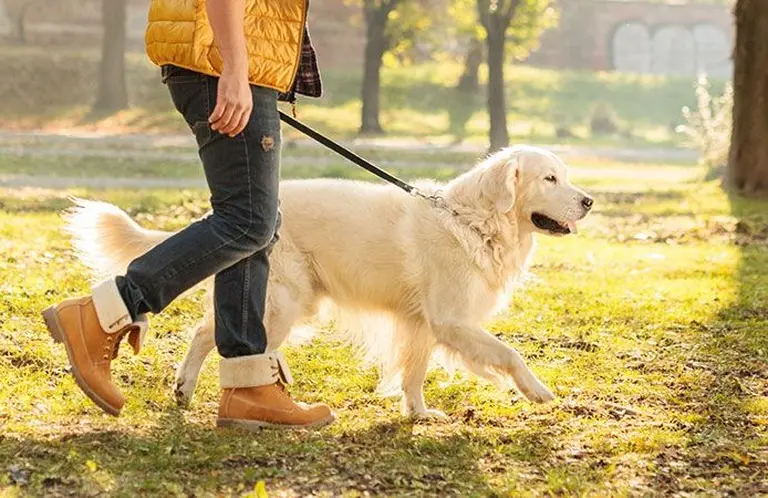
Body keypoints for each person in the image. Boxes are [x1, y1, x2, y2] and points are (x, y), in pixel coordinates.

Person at [41, 0, 335, 430]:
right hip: (226, 65)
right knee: (248, 220)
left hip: (232, 62)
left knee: (259, 223)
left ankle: (248, 387)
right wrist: (235, 68)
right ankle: (104, 312)